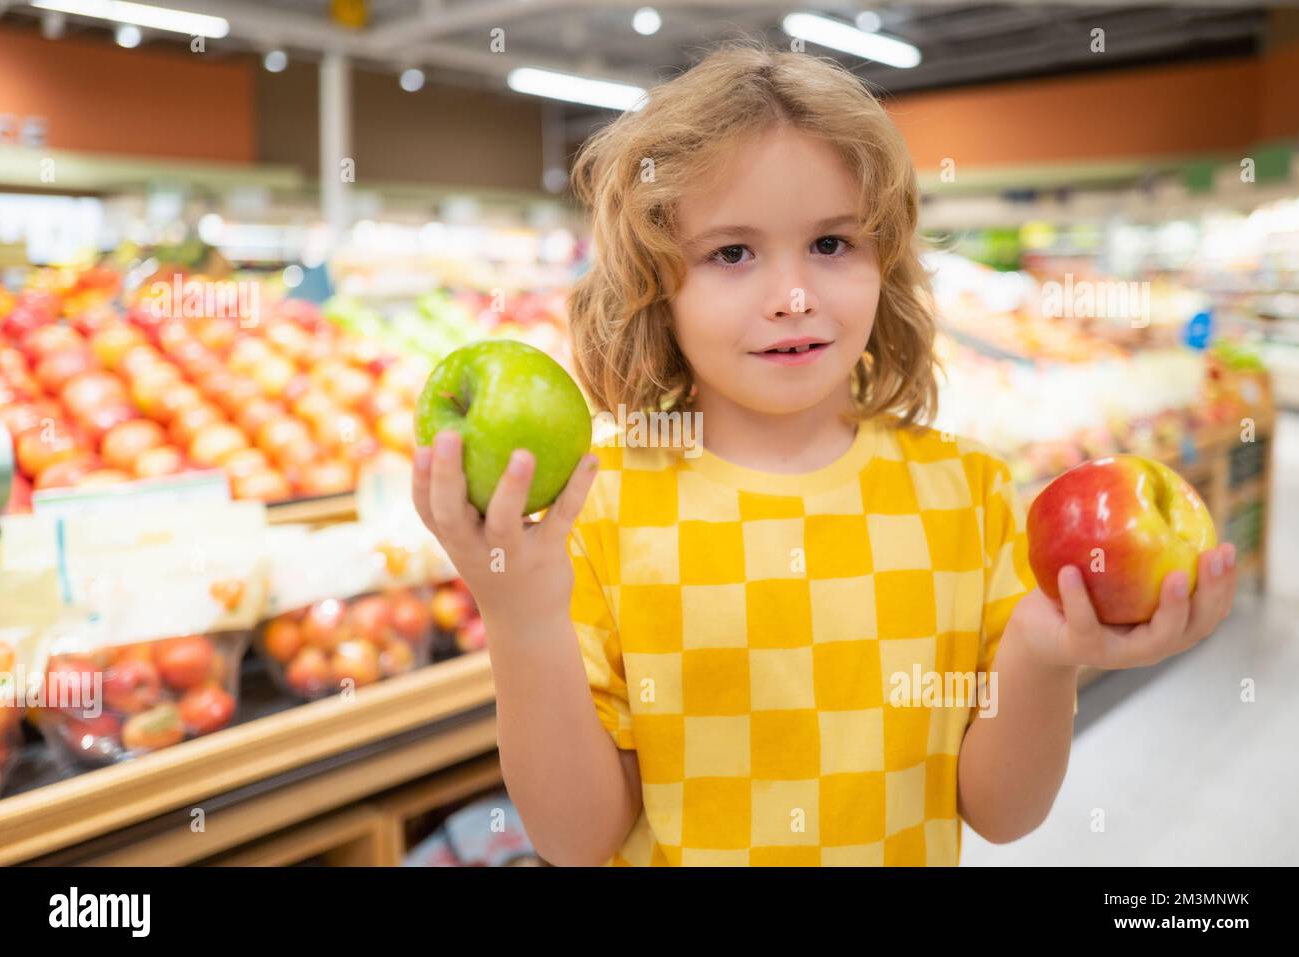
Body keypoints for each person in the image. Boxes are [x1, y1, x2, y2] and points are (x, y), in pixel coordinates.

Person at [411, 39, 1239, 866]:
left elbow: (1002, 811)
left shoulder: (966, 494)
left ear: (888, 259)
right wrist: (520, 619)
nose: (794, 297)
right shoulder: (595, 510)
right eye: (732, 253)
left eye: (833, 244)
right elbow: (575, 838)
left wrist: (1042, 653)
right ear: (652, 286)